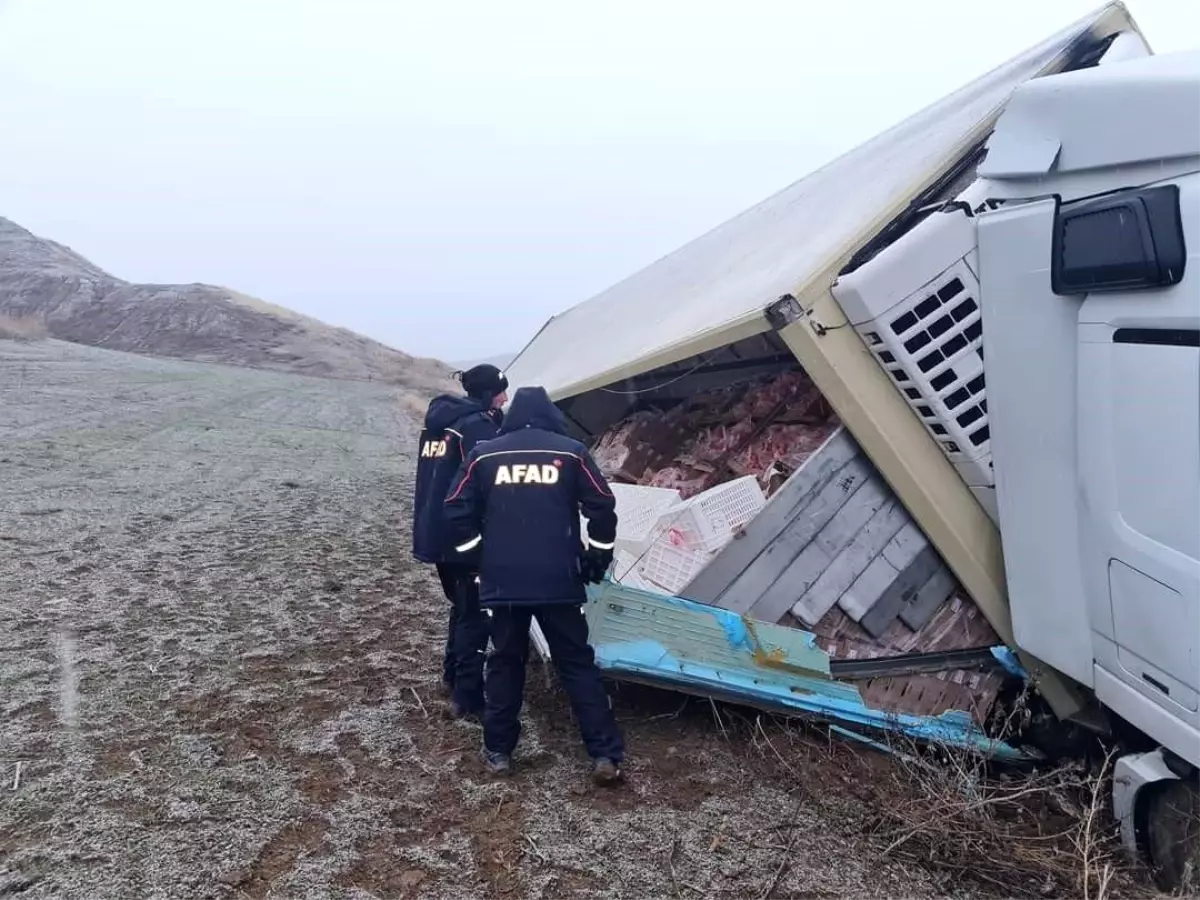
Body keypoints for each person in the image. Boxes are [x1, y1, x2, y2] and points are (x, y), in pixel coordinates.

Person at [443, 385, 625, 786]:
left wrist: (478, 556)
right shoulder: (571, 453)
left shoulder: (484, 454)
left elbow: (455, 509)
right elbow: (602, 506)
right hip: (559, 579)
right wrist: (597, 555)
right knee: (576, 664)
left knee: (505, 663)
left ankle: (499, 754)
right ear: (550, 416)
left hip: (503, 581)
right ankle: (604, 755)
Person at [412, 363, 508, 719]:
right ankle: (467, 698)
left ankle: (451, 676)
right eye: (500, 391)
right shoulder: (476, 427)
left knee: (462, 606)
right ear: (486, 394)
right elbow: (490, 479)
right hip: (464, 534)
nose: (505, 398)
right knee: (477, 616)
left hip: (435, 532)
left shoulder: (437, 426)